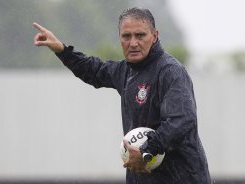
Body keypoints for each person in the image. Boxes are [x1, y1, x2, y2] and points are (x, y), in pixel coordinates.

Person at [33, 7, 211, 184]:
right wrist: (62, 50)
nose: (133, 43)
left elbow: (181, 120)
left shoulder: (170, 72)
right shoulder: (124, 71)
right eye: (126, 36)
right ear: (120, 38)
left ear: (155, 36)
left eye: (140, 35)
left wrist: (145, 151)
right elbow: (93, 70)